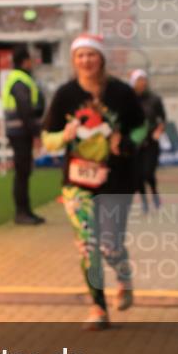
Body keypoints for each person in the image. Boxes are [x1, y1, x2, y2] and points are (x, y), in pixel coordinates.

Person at [41, 34, 145, 330]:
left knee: (111, 246)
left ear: (101, 59)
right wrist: (65, 136)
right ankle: (98, 307)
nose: (86, 61)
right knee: (88, 245)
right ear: (74, 61)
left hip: (117, 181)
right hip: (77, 182)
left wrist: (124, 142)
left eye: (91, 55)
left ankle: (123, 275)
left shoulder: (122, 93)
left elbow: (141, 127)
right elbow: (47, 139)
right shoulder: (65, 95)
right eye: (80, 56)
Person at [2, 46, 46, 224]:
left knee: (24, 172)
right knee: (22, 172)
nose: (32, 63)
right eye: (30, 60)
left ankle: (26, 211)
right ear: (24, 61)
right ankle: (22, 213)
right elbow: (25, 109)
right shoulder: (20, 81)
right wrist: (35, 132)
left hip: (20, 131)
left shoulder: (20, 79)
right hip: (20, 132)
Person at [130, 68, 166, 213]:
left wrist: (159, 130)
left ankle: (154, 192)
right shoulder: (129, 100)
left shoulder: (154, 99)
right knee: (137, 175)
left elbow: (162, 119)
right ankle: (144, 201)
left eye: (144, 80)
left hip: (151, 141)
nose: (142, 83)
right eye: (139, 80)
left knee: (148, 173)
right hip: (134, 143)